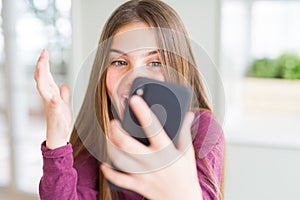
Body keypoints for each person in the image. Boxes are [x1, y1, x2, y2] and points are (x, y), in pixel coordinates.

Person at [34, 0, 225, 199]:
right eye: (120, 62)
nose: (133, 78)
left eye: (154, 62)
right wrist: (56, 137)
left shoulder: (201, 128)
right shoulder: (97, 133)